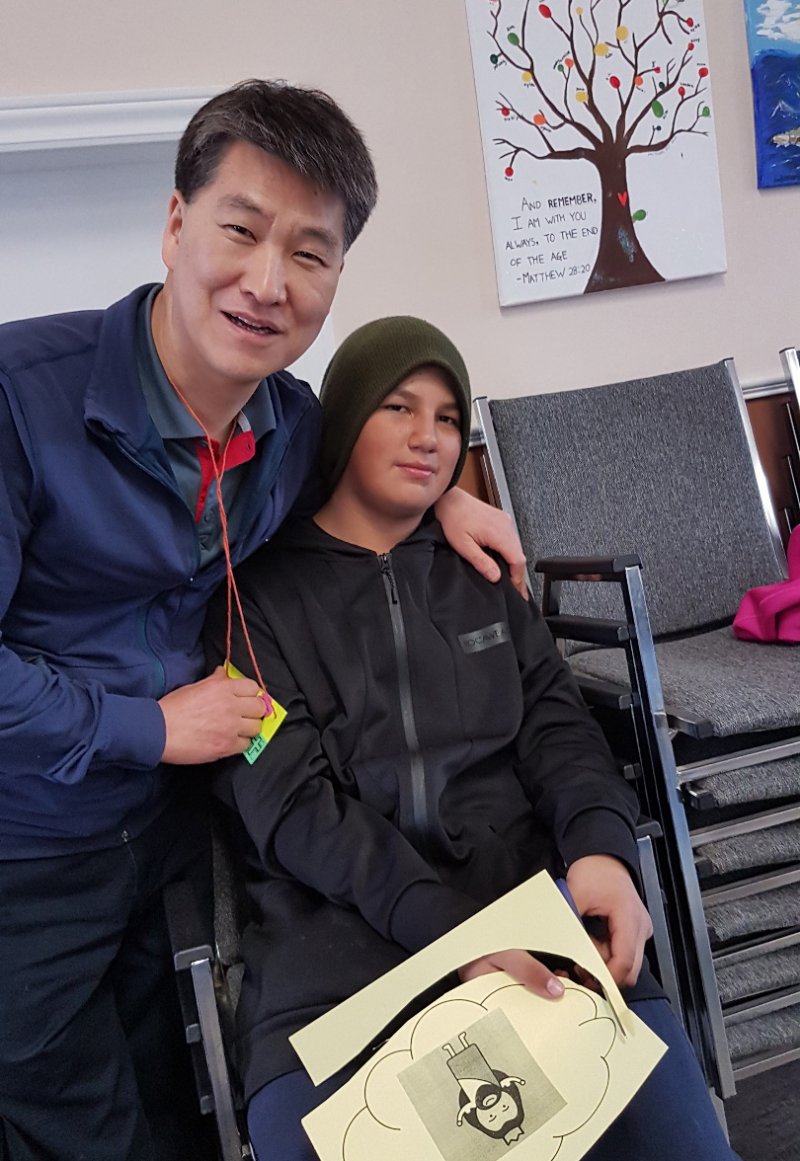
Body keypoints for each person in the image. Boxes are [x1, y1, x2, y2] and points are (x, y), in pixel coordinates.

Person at [0, 83, 524, 1161]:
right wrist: (150, 725)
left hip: (176, 840)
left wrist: (444, 496)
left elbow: (372, 469)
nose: (267, 282)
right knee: (69, 1123)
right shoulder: (19, 397)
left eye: (309, 253)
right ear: (175, 223)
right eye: (241, 229)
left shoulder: (290, 426)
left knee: (186, 1104)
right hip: (29, 845)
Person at [206, 315, 741, 1161]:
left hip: (527, 919)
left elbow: (558, 729)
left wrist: (601, 848)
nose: (429, 436)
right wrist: (450, 930)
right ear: (344, 422)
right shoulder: (254, 598)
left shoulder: (480, 572)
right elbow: (291, 803)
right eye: (398, 407)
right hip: (336, 958)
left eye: (449, 417)